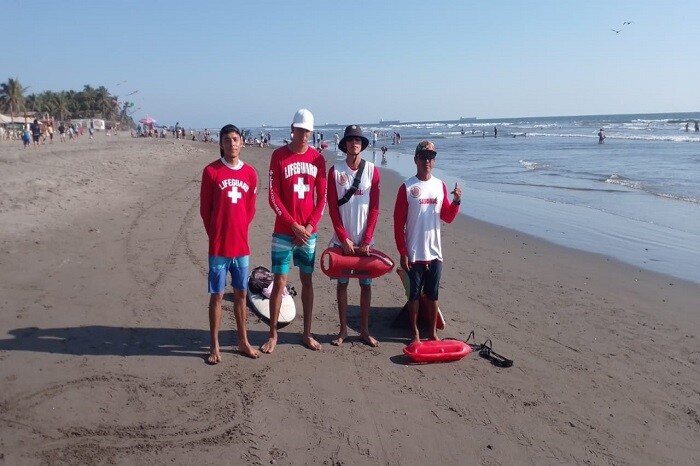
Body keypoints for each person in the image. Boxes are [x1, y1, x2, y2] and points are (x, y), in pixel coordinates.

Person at [263, 109, 327, 353]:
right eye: (299, 130)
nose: (303, 135)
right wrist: (293, 225)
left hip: (308, 233)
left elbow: (321, 199)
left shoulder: (317, 159)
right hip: (284, 231)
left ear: (311, 132)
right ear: (292, 129)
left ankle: (307, 333)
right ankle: (272, 334)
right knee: (279, 281)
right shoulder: (278, 156)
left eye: (307, 131)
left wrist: (309, 227)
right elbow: (273, 196)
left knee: (307, 279)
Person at [200, 124, 259, 363]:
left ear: (242, 142)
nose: (232, 144)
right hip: (218, 247)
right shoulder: (211, 172)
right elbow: (206, 210)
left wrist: (238, 231)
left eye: (235, 139)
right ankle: (214, 345)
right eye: (227, 139)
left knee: (241, 294)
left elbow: (250, 209)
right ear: (221, 144)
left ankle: (242, 340)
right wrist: (215, 235)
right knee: (216, 296)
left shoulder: (250, 174)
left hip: (241, 247)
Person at [393, 140, 461, 344]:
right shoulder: (407, 187)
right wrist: (403, 252)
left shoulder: (440, 186)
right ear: (415, 160)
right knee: (413, 296)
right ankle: (414, 333)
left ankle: (432, 333)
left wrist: (457, 201)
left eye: (431, 158)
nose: (427, 161)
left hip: (435, 253)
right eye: (423, 157)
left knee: (433, 295)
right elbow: (398, 224)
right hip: (414, 253)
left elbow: (447, 216)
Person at [327, 125, 381, 347]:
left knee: (366, 285)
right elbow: (332, 207)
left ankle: (365, 331)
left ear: (362, 144)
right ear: (345, 144)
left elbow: (375, 208)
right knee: (342, 284)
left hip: (365, 242)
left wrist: (367, 239)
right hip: (343, 242)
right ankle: (342, 331)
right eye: (350, 139)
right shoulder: (335, 171)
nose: (354, 143)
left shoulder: (372, 171)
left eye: (358, 139)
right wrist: (344, 237)